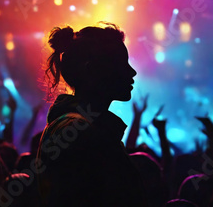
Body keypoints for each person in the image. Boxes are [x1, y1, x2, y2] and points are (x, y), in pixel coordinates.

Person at [36, 23, 148, 207]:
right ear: (92, 69)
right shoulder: (79, 132)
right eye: (121, 64)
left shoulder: (81, 127)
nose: (132, 72)